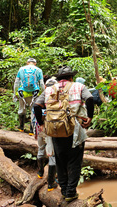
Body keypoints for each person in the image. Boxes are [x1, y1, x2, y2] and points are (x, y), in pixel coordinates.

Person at [43, 66, 94, 202]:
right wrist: (90, 117)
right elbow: (89, 99)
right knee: (75, 162)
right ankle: (71, 192)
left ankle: (64, 190)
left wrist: (42, 124)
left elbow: (37, 105)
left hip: (55, 130)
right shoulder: (79, 86)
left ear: (58, 78)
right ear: (71, 77)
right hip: (75, 131)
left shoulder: (49, 89)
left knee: (60, 161)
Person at [32, 77, 58, 192]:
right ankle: (51, 183)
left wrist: (38, 125)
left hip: (39, 127)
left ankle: (40, 172)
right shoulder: (56, 96)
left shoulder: (41, 97)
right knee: (51, 153)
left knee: (41, 148)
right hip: (49, 127)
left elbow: (35, 110)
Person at [13, 58, 44, 134]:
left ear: (27, 63)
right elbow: (42, 84)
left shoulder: (21, 69)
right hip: (34, 93)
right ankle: (31, 131)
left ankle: (21, 128)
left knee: (21, 109)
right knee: (33, 111)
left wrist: (15, 94)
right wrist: (43, 94)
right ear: (35, 63)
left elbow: (16, 82)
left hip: (22, 92)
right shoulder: (38, 70)